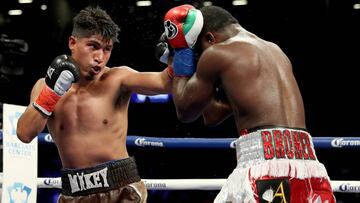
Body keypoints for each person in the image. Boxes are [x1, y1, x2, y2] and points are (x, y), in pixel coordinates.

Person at [161, 4, 336, 203]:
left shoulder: (216, 53)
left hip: (266, 166)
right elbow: (211, 116)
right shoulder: (274, 50)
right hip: (309, 167)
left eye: (198, 52)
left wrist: (180, 55)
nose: (200, 59)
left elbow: (185, 111)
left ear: (210, 38)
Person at [16, 6, 173, 203]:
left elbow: (165, 83)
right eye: (93, 46)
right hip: (74, 192)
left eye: (107, 49)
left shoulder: (118, 79)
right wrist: (52, 93)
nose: (100, 57)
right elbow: (24, 133)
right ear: (73, 42)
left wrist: (180, 53)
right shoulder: (44, 86)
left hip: (121, 187)